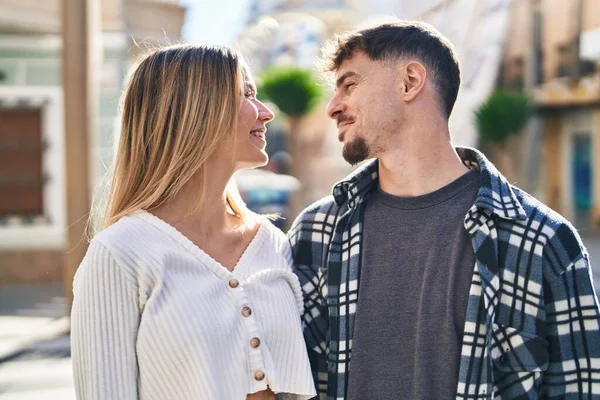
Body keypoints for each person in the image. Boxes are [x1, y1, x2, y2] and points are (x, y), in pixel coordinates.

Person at [288, 20, 600, 399]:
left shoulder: (543, 242)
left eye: (350, 84)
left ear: (410, 81)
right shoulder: (317, 232)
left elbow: (582, 389)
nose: (333, 108)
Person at [71, 44, 316, 400]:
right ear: (194, 110)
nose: (266, 113)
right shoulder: (121, 254)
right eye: (246, 94)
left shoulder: (271, 243)